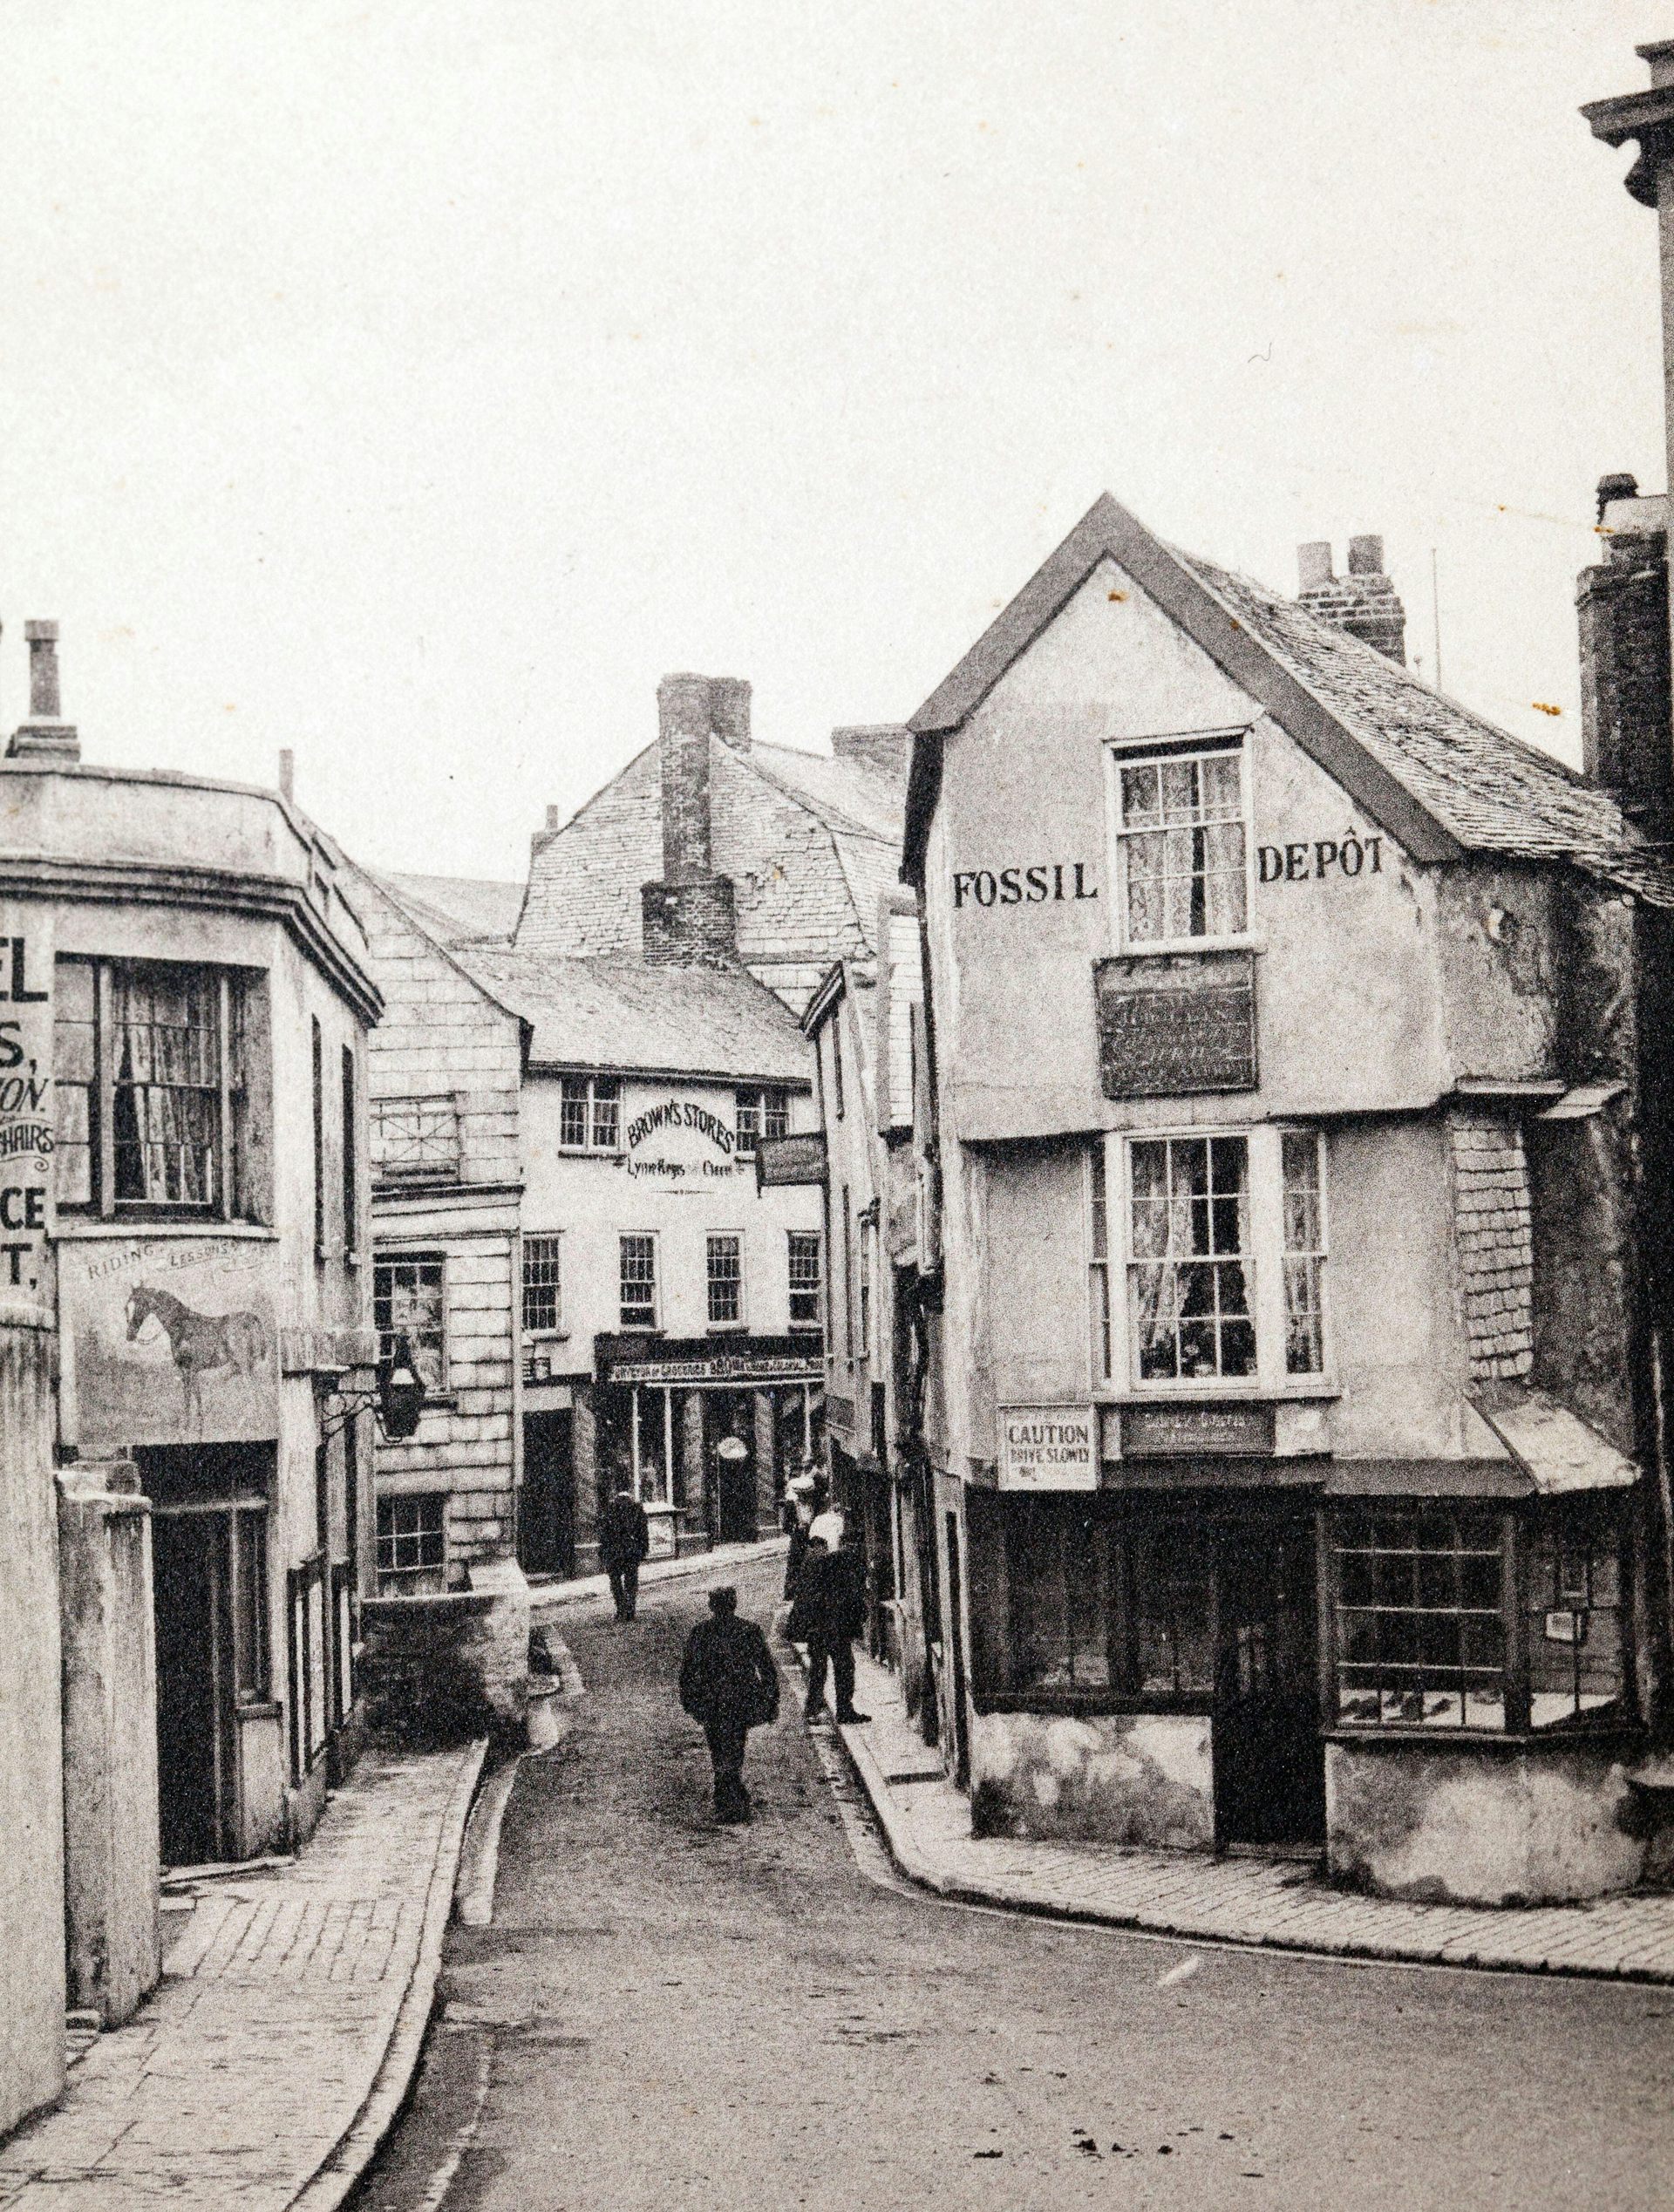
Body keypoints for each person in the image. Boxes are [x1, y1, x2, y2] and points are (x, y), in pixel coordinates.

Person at [678, 1586, 779, 1823]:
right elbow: (766, 1669)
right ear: (734, 1604)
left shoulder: (700, 1632)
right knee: (735, 1746)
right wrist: (771, 1700)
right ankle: (730, 1795)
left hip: (712, 1702)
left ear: (711, 1606)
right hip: (739, 1700)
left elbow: (688, 1673)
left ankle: (726, 1796)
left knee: (717, 1747)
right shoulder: (749, 1630)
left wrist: (691, 1703)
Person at [785, 1533, 869, 1725]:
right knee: (842, 1667)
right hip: (831, 1628)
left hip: (820, 1629)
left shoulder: (811, 1563)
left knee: (820, 1669)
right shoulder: (828, 1561)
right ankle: (841, 1710)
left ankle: (815, 1709)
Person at [598, 1487, 650, 1622]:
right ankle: (630, 1610)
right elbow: (643, 1533)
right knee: (631, 1581)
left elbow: (604, 1534)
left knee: (615, 1582)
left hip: (614, 1552)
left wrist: (603, 1552)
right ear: (629, 1493)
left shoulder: (610, 1508)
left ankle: (620, 1609)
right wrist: (643, 1550)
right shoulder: (637, 1508)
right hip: (631, 1551)